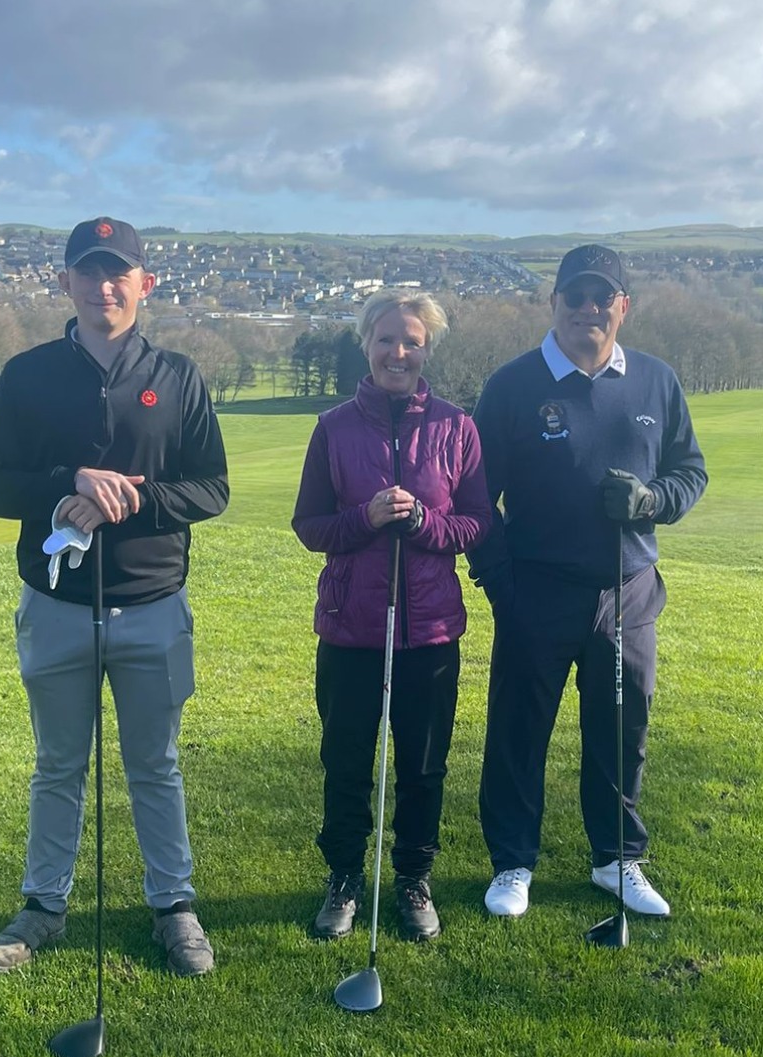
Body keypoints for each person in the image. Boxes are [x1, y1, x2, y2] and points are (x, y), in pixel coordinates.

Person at [0, 216, 228, 977]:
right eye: (88, 272)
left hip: (152, 605)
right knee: (58, 764)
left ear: (145, 284)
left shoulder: (178, 375)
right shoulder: (27, 374)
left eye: (118, 273)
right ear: (66, 283)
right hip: (55, 606)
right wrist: (67, 485)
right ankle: (43, 906)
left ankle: (173, 906)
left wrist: (127, 501)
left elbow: (212, 488)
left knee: (155, 763)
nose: (103, 286)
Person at [467, 244, 708, 919]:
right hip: (536, 589)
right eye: (575, 296)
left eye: (602, 297)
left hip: (627, 590)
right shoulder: (513, 385)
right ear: (555, 304)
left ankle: (618, 860)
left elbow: (690, 470)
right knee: (519, 732)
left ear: (623, 307)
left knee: (621, 731)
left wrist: (652, 501)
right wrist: (498, 583)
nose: (588, 309)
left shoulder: (656, 382)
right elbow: (478, 499)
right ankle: (513, 864)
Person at [292, 289, 491, 941]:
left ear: (428, 348)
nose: (397, 352)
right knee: (347, 761)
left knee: (423, 765)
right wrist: (365, 518)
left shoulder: (456, 428)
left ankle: (413, 877)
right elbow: (310, 525)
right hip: (352, 628)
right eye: (385, 339)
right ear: (366, 345)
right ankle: (345, 877)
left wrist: (425, 522)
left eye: (411, 341)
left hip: (430, 631)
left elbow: (474, 524)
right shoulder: (333, 428)